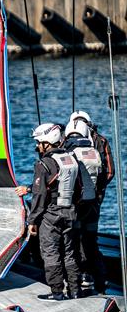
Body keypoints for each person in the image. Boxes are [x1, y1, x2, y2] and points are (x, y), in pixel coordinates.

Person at [15, 123, 83, 300]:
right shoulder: (72, 159)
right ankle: (75, 291)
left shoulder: (43, 164)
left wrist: (32, 221)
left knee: (51, 253)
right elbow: (79, 188)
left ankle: (57, 293)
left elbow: (40, 195)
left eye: (39, 142)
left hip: (51, 215)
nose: (37, 146)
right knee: (70, 253)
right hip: (71, 212)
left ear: (46, 142)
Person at [64, 119, 107, 294]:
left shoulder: (70, 154)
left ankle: (77, 282)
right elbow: (104, 176)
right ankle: (100, 282)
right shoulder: (95, 153)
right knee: (91, 244)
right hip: (93, 207)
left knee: (73, 244)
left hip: (77, 207)